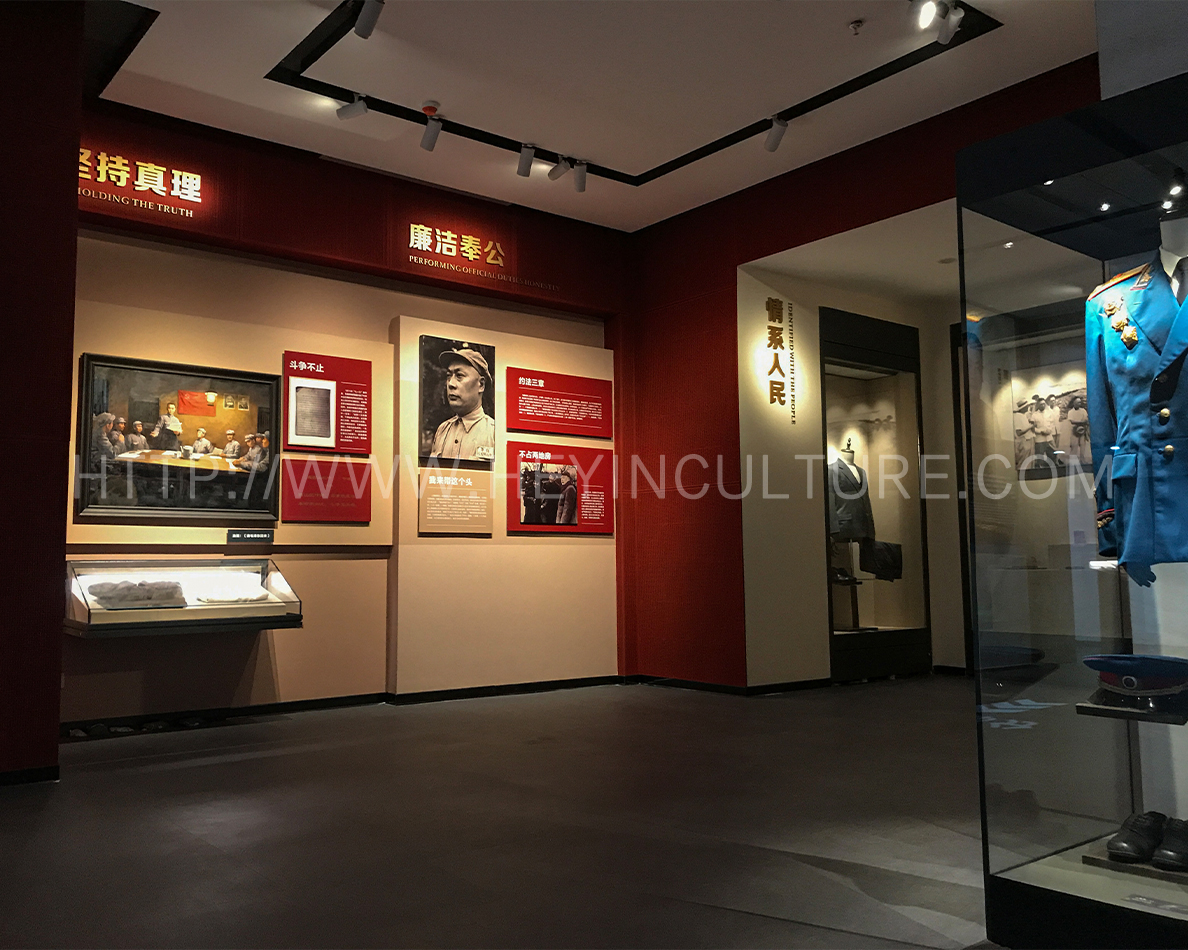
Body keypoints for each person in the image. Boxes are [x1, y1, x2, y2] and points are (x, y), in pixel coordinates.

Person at [429, 348, 495, 461]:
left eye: (459, 376)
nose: (451, 384)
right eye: (448, 376)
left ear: (481, 385)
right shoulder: (442, 430)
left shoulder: (493, 433)